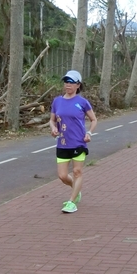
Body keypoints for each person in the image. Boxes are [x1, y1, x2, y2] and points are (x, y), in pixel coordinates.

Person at [49, 70, 97, 213]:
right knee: (63, 176)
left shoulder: (82, 102)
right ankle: (76, 190)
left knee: (77, 172)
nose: (68, 85)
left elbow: (93, 119)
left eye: (71, 82)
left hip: (78, 142)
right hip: (63, 143)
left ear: (78, 85)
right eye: (66, 82)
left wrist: (89, 132)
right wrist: (53, 128)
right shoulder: (57, 101)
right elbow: (52, 120)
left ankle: (71, 202)